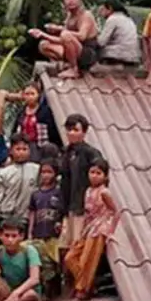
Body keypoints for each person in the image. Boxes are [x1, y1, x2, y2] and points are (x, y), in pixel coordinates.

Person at [63, 160, 120, 300]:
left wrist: (111, 231)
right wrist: (80, 233)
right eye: (92, 172)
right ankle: (86, 284)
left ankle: (83, 289)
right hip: (89, 228)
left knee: (88, 259)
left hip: (100, 228)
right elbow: (87, 215)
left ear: (105, 177)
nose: (94, 176)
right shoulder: (88, 191)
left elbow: (116, 211)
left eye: (98, 173)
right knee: (70, 257)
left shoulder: (104, 192)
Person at [57, 114, 104, 268]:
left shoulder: (91, 154)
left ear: (84, 132)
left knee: (77, 248)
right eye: (69, 130)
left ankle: (81, 284)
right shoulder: (66, 152)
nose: (71, 133)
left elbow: (101, 177)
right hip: (68, 207)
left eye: (75, 130)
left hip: (82, 208)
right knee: (64, 247)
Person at [29, 0, 100, 79]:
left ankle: (74, 69)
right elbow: (62, 40)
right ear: (64, 1)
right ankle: (68, 63)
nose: (71, 1)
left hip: (87, 54)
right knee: (43, 45)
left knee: (65, 35)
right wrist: (42, 34)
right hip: (73, 50)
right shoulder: (69, 16)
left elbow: (82, 36)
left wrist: (61, 30)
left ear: (80, 1)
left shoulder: (86, 15)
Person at [27, 161, 64, 298]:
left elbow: (62, 212)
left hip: (53, 233)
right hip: (39, 232)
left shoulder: (59, 192)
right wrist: (30, 231)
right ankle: (46, 290)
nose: (46, 175)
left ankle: (57, 288)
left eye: (49, 172)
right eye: (43, 172)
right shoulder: (35, 194)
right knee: (42, 262)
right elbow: (32, 213)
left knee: (55, 261)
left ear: (55, 174)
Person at [0, 135, 40, 228]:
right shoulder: (5, 173)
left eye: (24, 149)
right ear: (11, 151)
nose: (21, 152)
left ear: (29, 151)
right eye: (18, 149)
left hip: (26, 218)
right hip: (6, 217)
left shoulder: (36, 170)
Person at [9, 82, 61, 159]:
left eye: (32, 94)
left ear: (38, 95)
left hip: (41, 148)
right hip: (24, 148)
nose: (30, 97)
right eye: (27, 94)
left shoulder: (44, 111)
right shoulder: (21, 113)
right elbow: (15, 131)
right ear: (23, 95)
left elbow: (52, 131)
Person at [96, 0, 141, 67]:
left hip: (119, 54)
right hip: (134, 55)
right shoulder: (127, 18)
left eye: (103, 9)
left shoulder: (112, 19)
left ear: (110, 8)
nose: (101, 12)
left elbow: (101, 42)